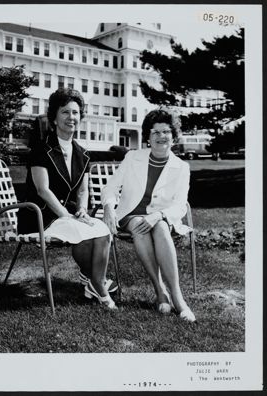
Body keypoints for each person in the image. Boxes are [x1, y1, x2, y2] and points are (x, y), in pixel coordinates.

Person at [17, 88, 117, 309]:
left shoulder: (84, 154)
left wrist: (81, 210)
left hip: (68, 213)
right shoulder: (41, 150)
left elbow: (83, 191)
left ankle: (93, 281)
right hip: (39, 215)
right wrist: (68, 217)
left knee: (101, 230)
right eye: (65, 112)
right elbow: (42, 189)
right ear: (54, 117)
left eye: (75, 112)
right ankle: (100, 287)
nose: (71, 117)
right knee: (81, 232)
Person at [102, 109, 196, 321]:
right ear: (147, 136)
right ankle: (159, 289)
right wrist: (108, 207)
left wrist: (159, 215)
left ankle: (176, 297)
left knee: (160, 225)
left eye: (166, 131)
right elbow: (110, 189)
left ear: (173, 135)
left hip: (160, 218)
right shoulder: (133, 157)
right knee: (138, 225)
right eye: (155, 132)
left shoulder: (181, 167)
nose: (161, 136)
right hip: (130, 215)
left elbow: (181, 205)